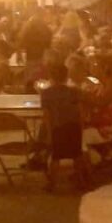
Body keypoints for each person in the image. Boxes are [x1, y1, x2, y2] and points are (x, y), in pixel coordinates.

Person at [40, 62, 91, 191]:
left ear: (51, 76)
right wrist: (81, 126)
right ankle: (81, 181)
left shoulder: (46, 93)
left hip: (57, 125)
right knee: (77, 155)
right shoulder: (74, 91)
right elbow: (80, 111)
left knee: (56, 156)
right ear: (66, 76)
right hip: (73, 125)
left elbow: (47, 115)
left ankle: (52, 183)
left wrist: (49, 132)